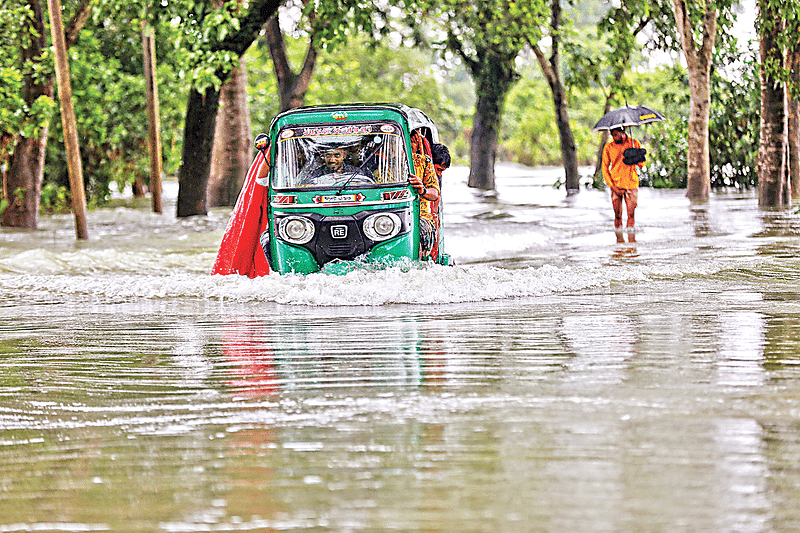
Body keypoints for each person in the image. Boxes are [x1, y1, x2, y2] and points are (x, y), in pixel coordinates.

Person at [602, 127, 644, 242]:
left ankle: (631, 243)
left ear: (623, 133)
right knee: (617, 215)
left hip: (631, 184)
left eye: (616, 135)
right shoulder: (608, 147)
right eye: (612, 135)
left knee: (631, 215)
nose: (614, 138)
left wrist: (636, 156)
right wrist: (612, 186)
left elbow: (642, 164)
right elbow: (604, 169)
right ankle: (619, 242)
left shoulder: (634, 143)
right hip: (615, 184)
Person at [407, 132, 440, 260]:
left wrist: (423, 190)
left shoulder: (424, 162)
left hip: (420, 217)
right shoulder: (384, 161)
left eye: (414, 141)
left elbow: (434, 193)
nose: (411, 144)